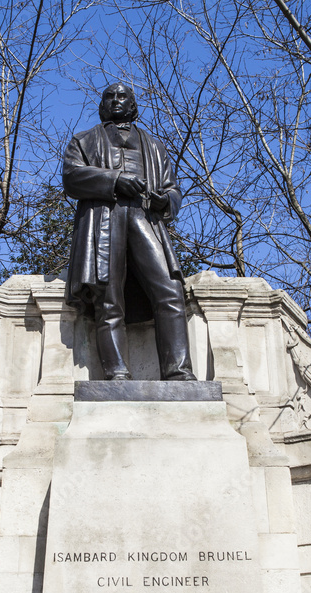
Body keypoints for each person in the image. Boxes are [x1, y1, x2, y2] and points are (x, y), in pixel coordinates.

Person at [63, 83, 197, 381]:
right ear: (103, 104)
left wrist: (166, 200)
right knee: (107, 296)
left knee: (169, 289)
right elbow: (72, 178)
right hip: (104, 220)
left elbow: (172, 189)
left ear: (133, 103)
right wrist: (115, 180)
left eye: (122, 96)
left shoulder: (154, 145)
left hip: (145, 216)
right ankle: (117, 373)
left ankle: (178, 371)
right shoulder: (84, 141)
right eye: (109, 96)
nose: (115, 101)